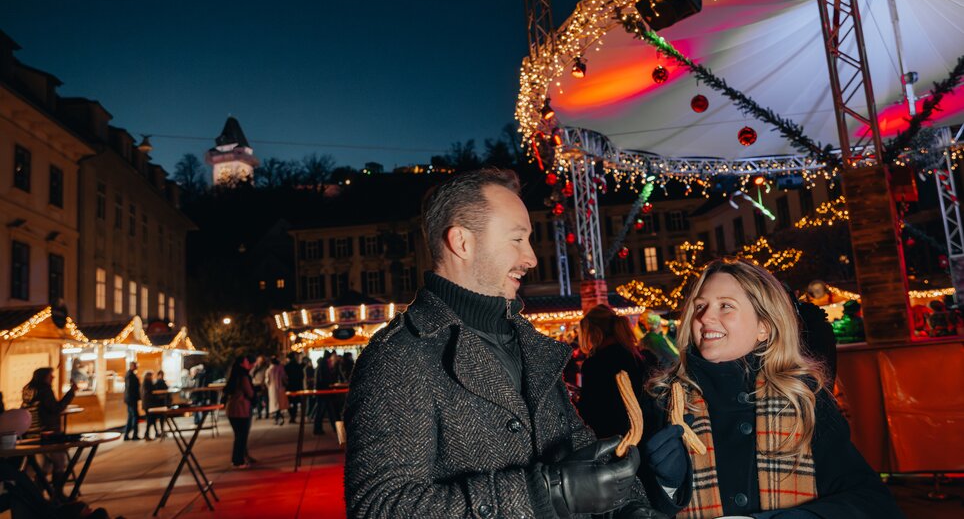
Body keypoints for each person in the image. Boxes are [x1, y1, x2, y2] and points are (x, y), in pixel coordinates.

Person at [344, 169, 661, 518]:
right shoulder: (400, 355)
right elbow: (379, 507)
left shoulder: (531, 346)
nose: (531, 258)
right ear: (462, 242)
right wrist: (547, 495)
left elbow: (577, 447)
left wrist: (633, 503)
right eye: (517, 239)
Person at [638, 258, 903, 518]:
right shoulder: (664, 402)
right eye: (700, 306)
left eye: (726, 306)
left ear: (763, 327)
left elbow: (873, 501)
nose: (705, 316)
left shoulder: (802, 399)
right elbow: (634, 506)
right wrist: (667, 486)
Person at [577, 304, 657, 440]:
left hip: (613, 437)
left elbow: (590, 409)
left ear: (594, 332)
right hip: (644, 431)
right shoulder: (637, 356)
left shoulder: (596, 363)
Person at [21, 367, 76, 491]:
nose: (53, 377)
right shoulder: (45, 390)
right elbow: (56, 408)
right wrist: (71, 392)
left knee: (43, 466)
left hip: (33, 433)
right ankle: (57, 495)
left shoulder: (27, 390)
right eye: (50, 375)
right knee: (59, 463)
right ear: (44, 377)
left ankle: (39, 497)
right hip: (49, 432)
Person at [224, 355, 256, 468]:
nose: (249, 363)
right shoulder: (243, 376)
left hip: (232, 409)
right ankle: (238, 460)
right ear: (242, 363)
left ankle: (241, 458)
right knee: (241, 436)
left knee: (238, 435)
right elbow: (250, 392)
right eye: (247, 361)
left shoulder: (233, 375)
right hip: (241, 408)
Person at [265, 356, 288, 425]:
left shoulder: (269, 370)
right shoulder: (280, 368)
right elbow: (284, 377)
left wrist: (268, 386)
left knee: (275, 404)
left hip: (272, 389)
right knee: (280, 403)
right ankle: (279, 416)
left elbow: (267, 380)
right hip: (280, 387)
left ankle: (277, 417)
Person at [284, 352, 304, 423]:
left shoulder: (287, 366)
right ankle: (293, 416)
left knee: (289, 402)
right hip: (296, 386)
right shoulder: (297, 366)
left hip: (289, 386)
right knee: (295, 402)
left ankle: (292, 415)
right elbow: (301, 376)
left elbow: (284, 377)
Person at [123, 362, 140, 441]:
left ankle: (126, 435)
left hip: (130, 399)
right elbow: (131, 388)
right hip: (131, 399)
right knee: (135, 416)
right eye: (135, 366)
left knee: (131, 417)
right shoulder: (130, 375)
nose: (137, 367)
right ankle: (134, 434)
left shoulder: (129, 374)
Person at [140, 371, 159, 440]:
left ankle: (156, 432)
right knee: (150, 419)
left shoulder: (145, 383)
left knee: (152, 419)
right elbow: (150, 393)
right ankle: (146, 434)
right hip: (149, 404)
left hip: (147, 404)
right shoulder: (147, 383)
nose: (152, 377)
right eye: (151, 376)